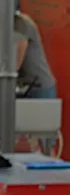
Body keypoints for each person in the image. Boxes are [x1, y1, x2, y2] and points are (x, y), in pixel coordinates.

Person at [13, 10, 58, 152]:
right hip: (23, 87)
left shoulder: (20, 23)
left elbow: (16, 60)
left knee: (43, 142)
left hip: (40, 87)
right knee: (20, 137)